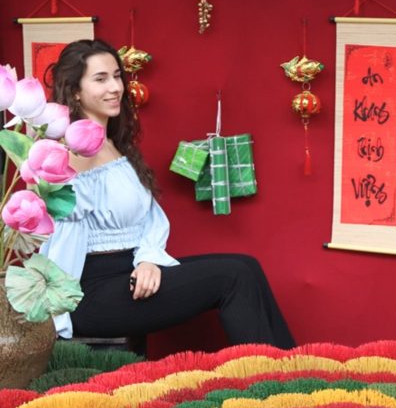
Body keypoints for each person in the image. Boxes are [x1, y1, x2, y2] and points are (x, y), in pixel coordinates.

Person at [42, 39, 295, 349]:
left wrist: (147, 260)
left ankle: (289, 367)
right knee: (234, 276)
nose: (115, 87)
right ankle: (273, 374)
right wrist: (57, 314)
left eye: (117, 76)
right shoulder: (74, 152)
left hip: (131, 273)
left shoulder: (111, 144)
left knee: (247, 266)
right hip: (93, 293)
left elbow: (148, 221)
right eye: (100, 79)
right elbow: (61, 239)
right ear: (75, 91)